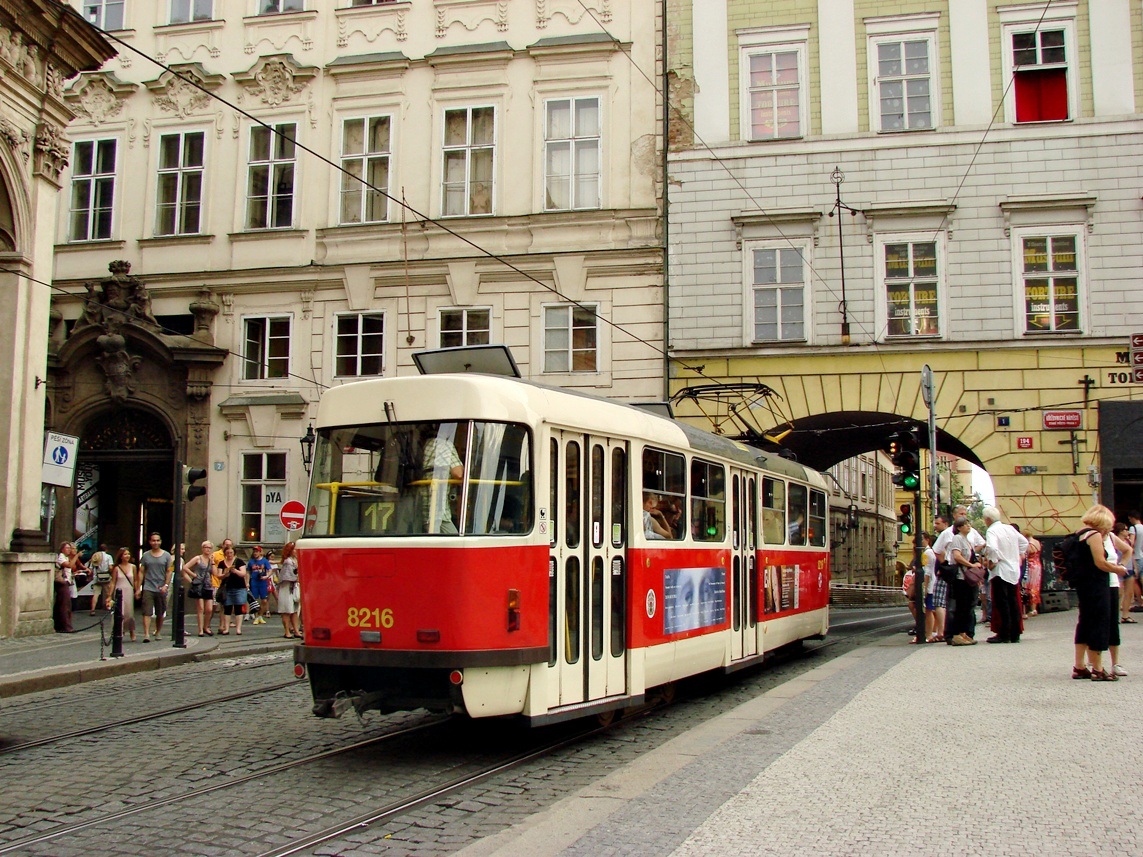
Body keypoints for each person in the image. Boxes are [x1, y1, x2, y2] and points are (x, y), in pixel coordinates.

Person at [1072, 504, 1127, 681]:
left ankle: (1080, 666)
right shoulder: (1094, 535)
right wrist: (1118, 569)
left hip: (1085, 584)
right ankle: (1097, 668)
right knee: (1099, 623)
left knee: (1086, 623)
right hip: (1097, 585)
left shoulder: (1081, 533)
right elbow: (1100, 562)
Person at [982, 506, 1028, 643]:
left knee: (1002, 602)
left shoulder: (992, 531)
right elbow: (1024, 543)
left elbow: (992, 548)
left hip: (1000, 570)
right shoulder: (1009, 528)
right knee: (1013, 601)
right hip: (1013, 568)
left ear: (988, 519)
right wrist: (1018, 555)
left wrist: (993, 561)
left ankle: (1004, 632)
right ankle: (1015, 633)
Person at [947, 517, 984, 646]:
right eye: (965, 524)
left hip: (967, 578)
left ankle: (964, 633)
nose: (968, 526)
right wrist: (971, 565)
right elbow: (957, 556)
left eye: (969, 524)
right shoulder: (957, 538)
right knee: (961, 606)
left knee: (968, 606)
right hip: (960, 578)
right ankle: (957, 634)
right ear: (958, 527)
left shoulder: (967, 540)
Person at [421, 433, 463, 534]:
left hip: (420, 506)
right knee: (453, 545)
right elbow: (458, 473)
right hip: (437, 508)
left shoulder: (423, 445)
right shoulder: (443, 445)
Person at [135, 532, 172, 643]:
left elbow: (169, 571)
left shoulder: (166, 555)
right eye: (153, 540)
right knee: (147, 611)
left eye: (157, 540)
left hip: (161, 587)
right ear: (150, 542)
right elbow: (141, 572)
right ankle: (146, 633)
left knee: (160, 612)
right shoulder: (146, 555)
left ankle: (158, 631)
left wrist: (166, 585)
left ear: (160, 542)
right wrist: (138, 588)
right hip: (148, 586)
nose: (155, 542)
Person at [182, 541, 216, 636]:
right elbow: (185, 567)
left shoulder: (210, 560)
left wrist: (213, 562)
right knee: (200, 608)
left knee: (209, 609)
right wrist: (193, 576)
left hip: (208, 585)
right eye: (206, 547)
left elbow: (214, 573)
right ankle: (200, 629)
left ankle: (206, 626)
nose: (208, 549)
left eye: (209, 548)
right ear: (202, 548)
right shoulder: (198, 558)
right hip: (199, 585)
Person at [217, 544, 247, 635]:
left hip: (239, 587)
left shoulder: (239, 562)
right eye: (227, 553)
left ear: (234, 553)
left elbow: (243, 573)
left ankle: (238, 629)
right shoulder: (222, 563)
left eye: (231, 552)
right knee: (227, 607)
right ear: (225, 553)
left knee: (238, 607)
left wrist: (235, 571)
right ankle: (226, 628)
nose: (229, 554)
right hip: (227, 588)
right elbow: (219, 576)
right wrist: (225, 575)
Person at [921, 531, 944, 642]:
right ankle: (935, 632)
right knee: (933, 610)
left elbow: (928, 571)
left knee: (929, 610)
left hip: (931, 586)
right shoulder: (931, 552)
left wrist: (925, 587)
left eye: (921, 539)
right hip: (933, 583)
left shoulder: (927, 553)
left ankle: (929, 634)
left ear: (927, 540)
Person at [112, 547, 137, 642]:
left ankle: (131, 631)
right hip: (119, 591)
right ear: (121, 556)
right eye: (125, 554)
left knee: (129, 613)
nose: (127, 556)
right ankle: (119, 631)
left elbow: (135, 580)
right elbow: (113, 582)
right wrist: (110, 595)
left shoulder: (133, 567)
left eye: (128, 554)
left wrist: (137, 590)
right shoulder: (116, 568)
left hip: (129, 591)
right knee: (119, 612)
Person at [277, 541, 300, 639]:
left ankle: (296, 630)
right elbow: (286, 577)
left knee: (294, 610)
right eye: (294, 549)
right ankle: (287, 631)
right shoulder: (288, 562)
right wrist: (297, 578)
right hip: (286, 588)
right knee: (286, 610)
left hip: (294, 587)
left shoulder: (295, 560)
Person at [1116, 521, 1138, 624]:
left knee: (1129, 593)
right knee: (1119, 593)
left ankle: (1125, 615)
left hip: (1129, 568)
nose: (1128, 532)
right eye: (1125, 529)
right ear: (1120, 531)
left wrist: (1135, 567)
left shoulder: (1128, 542)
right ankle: (1115, 616)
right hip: (1118, 568)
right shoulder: (1115, 542)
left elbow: (1132, 554)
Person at [53, 541, 78, 633]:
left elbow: (73, 567)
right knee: (64, 605)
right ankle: (65, 626)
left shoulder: (66, 557)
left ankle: (61, 625)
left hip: (66, 582)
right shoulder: (61, 557)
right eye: (67, 548)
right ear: (62, 549)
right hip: (61, 583)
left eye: (69, 548)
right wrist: (77, 556)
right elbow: (69, 566)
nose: (69, 550)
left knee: (64, 604)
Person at [246, 546, 272, 625]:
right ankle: (257, 616)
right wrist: (247, 582)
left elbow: (270, 570)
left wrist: (267, 576)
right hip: (254, 582)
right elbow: (248, 572)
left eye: (257, 551)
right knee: (255, 600)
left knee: (264, 600)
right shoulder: (251, 562)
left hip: (263, 582)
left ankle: (260, 615)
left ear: (260, 552)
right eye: (254, 552)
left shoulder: (264, 561)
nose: (255, 553)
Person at [88, 543, 113, 615]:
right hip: (106, 577)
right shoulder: (108, 556)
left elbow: (90, 569)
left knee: (95, 594)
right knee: (109, 594)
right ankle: (110, 608)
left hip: (97, 577)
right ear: (106, 549)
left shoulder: (95, 556)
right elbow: (110, 567)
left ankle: (92, 610)